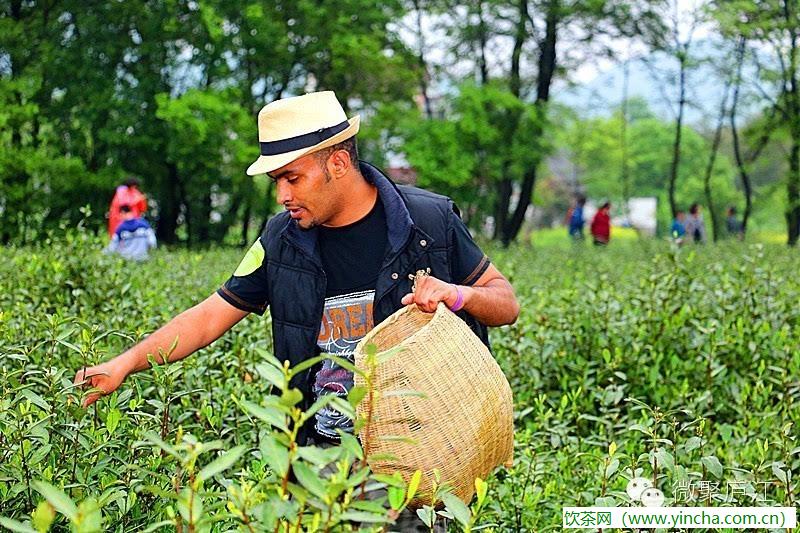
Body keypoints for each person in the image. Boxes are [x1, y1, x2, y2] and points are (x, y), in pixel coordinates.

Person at [74, 91, 519, 531]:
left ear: (338, 164)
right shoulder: (280, 239)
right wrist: (127, 362)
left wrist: (455, 296)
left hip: (414, 464)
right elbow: (210, 315)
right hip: (316, 465)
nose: (282, 195)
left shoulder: (429, 221)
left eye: (293, 178)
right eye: (276, 182)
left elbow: (505, 302)